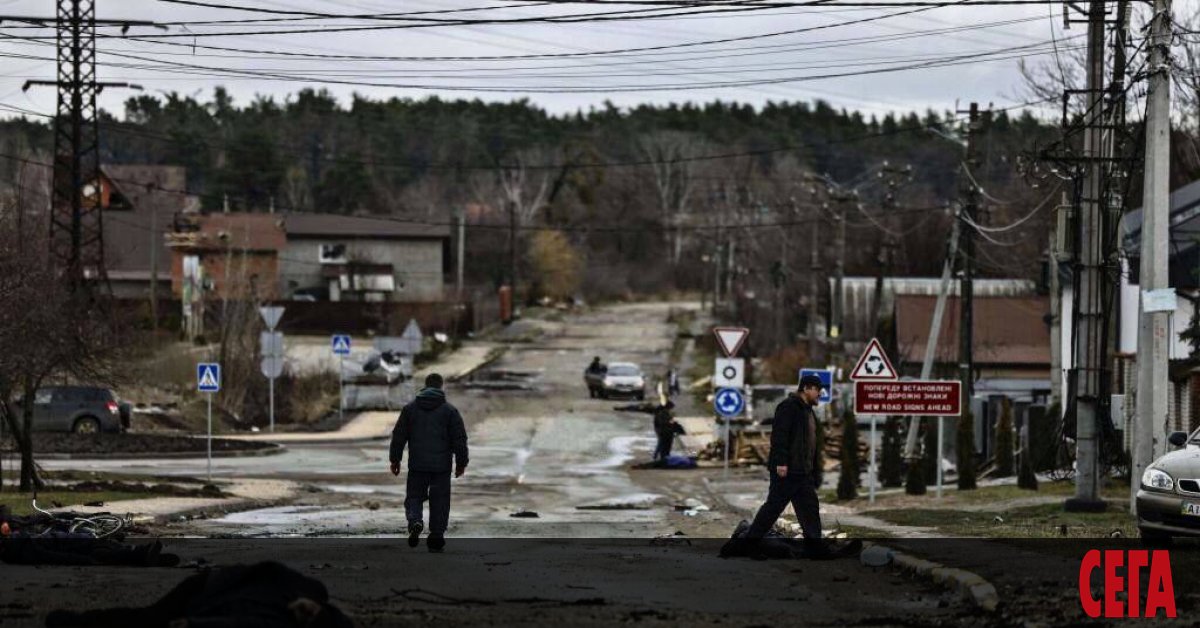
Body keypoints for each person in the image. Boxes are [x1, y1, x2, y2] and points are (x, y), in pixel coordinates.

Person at [743, 374, 830, 557]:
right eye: (817, 391)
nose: (819, 395)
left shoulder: (807, 410)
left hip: (802, 472)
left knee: (809, 508)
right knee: (773, 508)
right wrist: (782, 463)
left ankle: (814, 548)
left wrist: (813, 470)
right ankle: (749, 545)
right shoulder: (789, 407)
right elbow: (779, 437)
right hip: (788, 471)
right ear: (806, 388)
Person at [389, 373, 469, 553]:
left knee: (414, 497)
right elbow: (459, 439)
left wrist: (395, 459)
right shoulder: (450, 411)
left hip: (417, 465)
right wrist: (461, 463)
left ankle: (415, 521)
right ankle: (436, 537)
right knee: (440, 501)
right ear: (441, 387)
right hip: (441, 467)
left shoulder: (410, 410)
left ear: (425, 386)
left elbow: (399, 436)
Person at [614, 400, 682, 462]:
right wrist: (672, 424)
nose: (671, 410)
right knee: (662, 443)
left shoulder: (661, 411)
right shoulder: (662, 413)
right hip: (662, 431)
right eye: (671, 408)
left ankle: (657, 456)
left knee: (661, 443)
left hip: (661, 430)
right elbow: (664, 422)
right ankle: (658, 456)